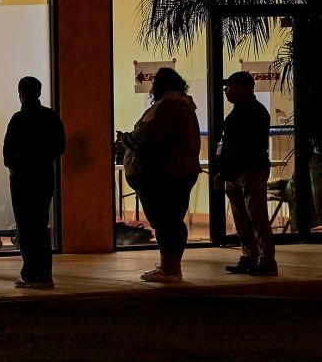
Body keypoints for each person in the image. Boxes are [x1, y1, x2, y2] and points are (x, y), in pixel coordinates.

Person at [117, 67, 201, 283]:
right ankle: (171, 267)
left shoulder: (168, 107)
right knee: (171, 220)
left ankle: (169, 269)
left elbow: (147, 137)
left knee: (166, 221)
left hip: (163, 174)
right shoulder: (184, 106)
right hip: (176, 172)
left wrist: (125, 139)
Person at [2, 76, 66, 289]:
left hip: (22, 177)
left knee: (26, 225)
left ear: (21, 93)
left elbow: (7, 153)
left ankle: (30, 273)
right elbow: (60, 147)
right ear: (38, 92)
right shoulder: (51, 117)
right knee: (40, 223)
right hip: (44, 175)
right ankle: (45, 274)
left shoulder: (18, 119)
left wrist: (15, 163)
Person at [215, 71, 277, 276]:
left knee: (256, 217)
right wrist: (224, 172)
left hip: (250, 171)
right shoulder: (237, 111)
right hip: (234, 173)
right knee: (242, 219)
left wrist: (231, 169)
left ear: (242, 87)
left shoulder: (255, 112)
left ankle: (266, 261)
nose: (225, 90)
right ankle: (250, 256)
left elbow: (248, 147)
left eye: (229, 86)